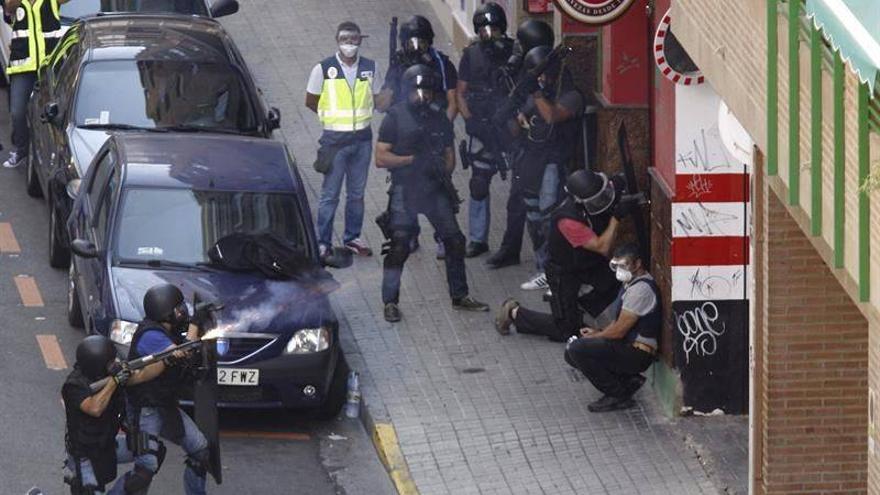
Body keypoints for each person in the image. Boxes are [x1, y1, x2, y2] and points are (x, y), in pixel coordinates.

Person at [375, 64, 489, 322]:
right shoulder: (395, 117)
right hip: (406, 188)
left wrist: (441, 171)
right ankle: (390, 301)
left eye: (426, 90)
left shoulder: (439, 117)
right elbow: (381, 158)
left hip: (434, 189)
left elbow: (449, 156)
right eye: (417, 91)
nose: (422, 96)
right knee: (400, 245)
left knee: (454, 240)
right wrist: (411, 161)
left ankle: (460, 295)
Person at [495, 169, 631, 342]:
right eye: (596, 200)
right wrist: (616, 218)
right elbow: (602, 247)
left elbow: (618, 182)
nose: (602, 201)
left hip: (589, 263)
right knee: (567, 331)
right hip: (565, 272)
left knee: (617, 284)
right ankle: (514, 313)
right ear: (580, 202)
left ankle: (581, 313)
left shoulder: (598, 190)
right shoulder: (568, 220)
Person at [306, 21, 390, 258]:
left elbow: (379, 100)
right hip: (335, 142)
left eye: (354, 39)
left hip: (362, 140)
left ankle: (352, 238)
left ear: (360, 40)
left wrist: (389, 96)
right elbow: (311, 100)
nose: (350, 44)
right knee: (330, 194)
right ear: (337, 40)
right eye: (345, 39)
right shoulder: (323, 69)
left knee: (357, 194)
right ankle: (323, 242)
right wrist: (328, 117)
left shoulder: (370, 68)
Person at [117, 283, 209, 494]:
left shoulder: (170, 332)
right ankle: (93, 454)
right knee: (145, 470)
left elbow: (185, 352)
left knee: (200, 452)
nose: (183, 312)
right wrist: (196, 323)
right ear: (165, 311)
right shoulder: (150, 335)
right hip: (145, 410)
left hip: (164, 405)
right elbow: (180, 353)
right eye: (179, 309)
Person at [510, 45, 584, 291]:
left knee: (549, 214)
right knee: (532, 213)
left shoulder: (569, 94)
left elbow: (552, 116)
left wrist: (536, 93)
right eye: (535, 74)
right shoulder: (533, 93)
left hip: (556, 159)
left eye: (542, 74)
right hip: (531, 158)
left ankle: (557, 270)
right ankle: (543, 267)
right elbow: (522, 120)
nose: (540, 78)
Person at [384, 15, 458, 258]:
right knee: (404, 187)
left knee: (439, 186)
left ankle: (443, 237)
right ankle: (410, 235)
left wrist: (441, 129)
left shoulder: (441, 63)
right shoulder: (399, 62)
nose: (416, 47)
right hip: (406, 133)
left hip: (434, 131)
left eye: (421, 41)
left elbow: (452, 101)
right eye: (411, 42)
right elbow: (387, 96)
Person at [484, 19, 555, 270]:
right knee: (519, 201)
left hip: (546, 150)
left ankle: (546, 263)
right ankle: (512, 248)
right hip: (524, 145)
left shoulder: (548, 73)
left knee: (542, 207)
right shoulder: (519, 69)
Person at [563, 244, 661, 412]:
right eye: (616, 266)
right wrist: (598, 333)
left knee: (578, 349)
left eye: (624, 266)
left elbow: (618, 331)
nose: (619, 270)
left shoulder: (640, 290)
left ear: (637, 264)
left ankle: (617, 394)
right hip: (626, 346)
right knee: (571, 352)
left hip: (637, 353)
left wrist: (594, 338)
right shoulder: (630, 284)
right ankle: (626, 381)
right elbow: (619, 323)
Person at [62, 336, 165, 494]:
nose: (115, 363)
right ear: (97, 364)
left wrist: (166, 361)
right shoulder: (74, 385)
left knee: (152, 453)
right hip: (85, 454)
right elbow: (95, 408)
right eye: (110, 362)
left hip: (107, 444)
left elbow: (143, 375)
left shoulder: (110, 376)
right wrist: (114, 382)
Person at [457, 2, 514, 258]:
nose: (488, 34)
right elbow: (461, 92)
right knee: (479, 183)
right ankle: (478, 238)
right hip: (481, 127)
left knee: (523, 186)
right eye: (483, 29)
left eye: (493, 28)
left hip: (511, 127)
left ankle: (512, 243)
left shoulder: (515, 51)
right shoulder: (471, 55)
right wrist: (469, 120)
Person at [2, 0, 68, 168]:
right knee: (17, 111)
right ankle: (22, 149)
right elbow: (9, 8)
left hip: (48, 66)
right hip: (22, 65)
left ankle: (53, 154)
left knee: (51, 112)